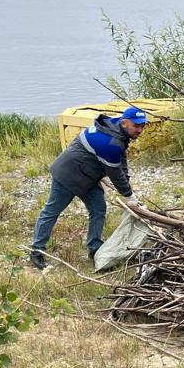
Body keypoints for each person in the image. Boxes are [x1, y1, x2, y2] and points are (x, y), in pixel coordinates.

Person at [30, 106, 147, 269]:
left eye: (142, 126)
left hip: (87, 174)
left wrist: (128, 185)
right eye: (136, 126)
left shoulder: (115, 127)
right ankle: (36, 250)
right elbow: (115, 174)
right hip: (68, 173)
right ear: (124, 122)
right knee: (52, 210)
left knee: (98, 208)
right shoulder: (110, 143)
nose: (140, 130)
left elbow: (121, 159)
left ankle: (95, 248)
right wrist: (129, 196)